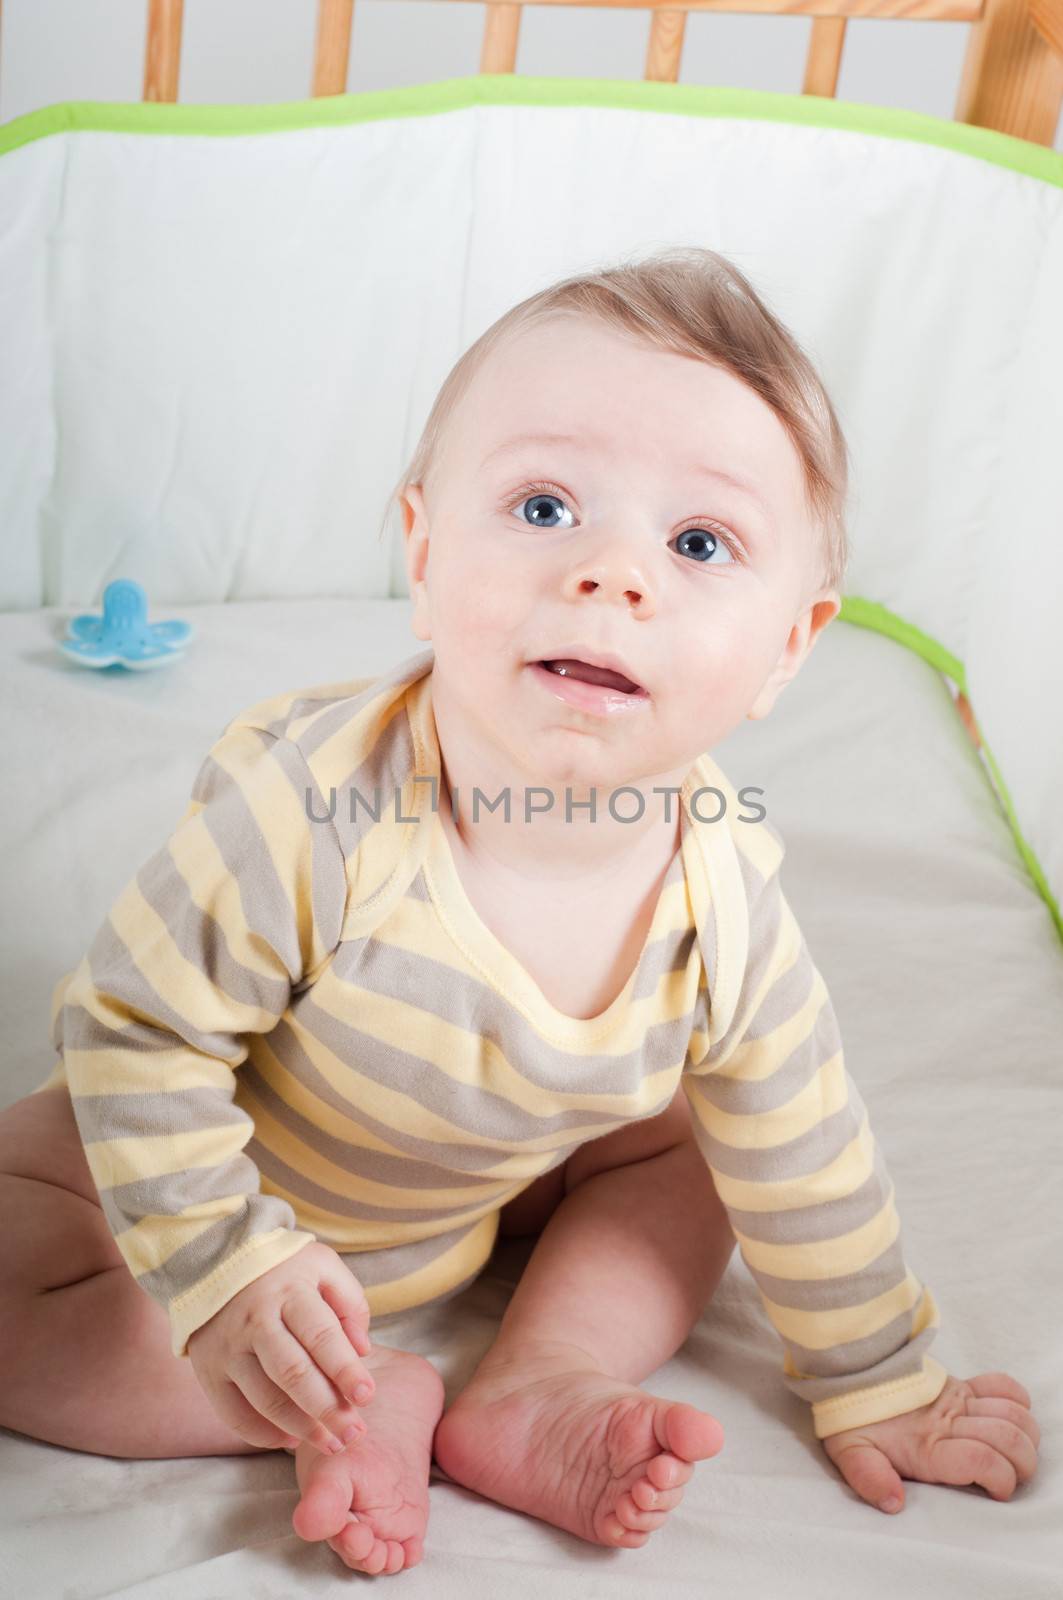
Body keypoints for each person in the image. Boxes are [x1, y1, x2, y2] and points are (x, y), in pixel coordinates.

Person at [0, 248, 1039, 1579]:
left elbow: (808, 1148)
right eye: (545, 507)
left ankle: (538, 1380)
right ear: (424, 553)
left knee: (700, 1150)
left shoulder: (722, 898)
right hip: (191, 1189)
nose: (613, 574)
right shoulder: (316, 810)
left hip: (473, 1200)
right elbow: (134, 1032)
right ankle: (337, 1395)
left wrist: (880, 1375)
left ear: (789, 647)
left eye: (699, 543)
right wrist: (222, 1265)